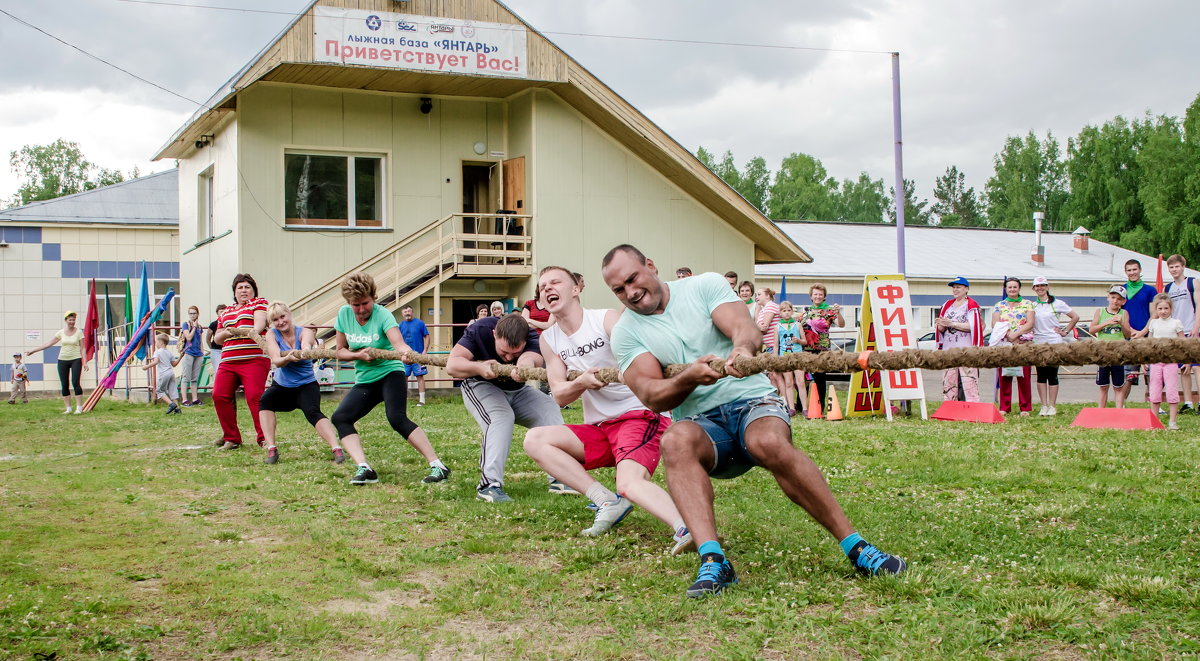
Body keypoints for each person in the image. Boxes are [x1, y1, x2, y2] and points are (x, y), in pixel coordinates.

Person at [602, 245, 906, 599]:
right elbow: (651, 394)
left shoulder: (703, 286)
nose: (630, 293)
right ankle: (714, 561)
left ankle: (857, 548)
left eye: (632, 279)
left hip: (752, 401)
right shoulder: (626, 331)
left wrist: (743, 350)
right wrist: (688, 378)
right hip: (701, 423)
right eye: (619, 290)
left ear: (650, 265)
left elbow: (744, 327)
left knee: (769, 443)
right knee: (674, 441)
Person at [524, 266, 693, 552]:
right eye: (542, 287)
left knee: (628, 482)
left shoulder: (605, 319)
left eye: (555, 282)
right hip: (601, 428)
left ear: (577, 288)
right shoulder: (549, 339)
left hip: (638, 416)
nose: (548, 289)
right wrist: (584, 383)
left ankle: (687, 527)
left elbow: (643, 357)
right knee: (535, 439)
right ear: (540, 301)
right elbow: (560, 395)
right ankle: (606, 501)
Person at [330, 272, 449, 485]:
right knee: (340, 418)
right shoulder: (344, 315)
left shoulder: (383, 315)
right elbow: (340, 351)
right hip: (365, 379)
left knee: (396, 418)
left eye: (365, 303)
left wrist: (406, 353)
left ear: (373, 297)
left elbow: (399, 343)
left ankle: (438, 466)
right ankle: (364, 468)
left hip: (390, 373)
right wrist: (358, 355)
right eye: (355, 305)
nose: (361, 309)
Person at [445, 312, 562, 503]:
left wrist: (523, 366)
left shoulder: (532, 336)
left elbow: (531, 358)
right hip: (480, 385)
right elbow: (452, 365)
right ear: (494, 334)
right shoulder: (480, 329)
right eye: (504, 352)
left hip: (517, 390)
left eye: (514, 353)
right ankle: (489, 485)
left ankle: (560, 477)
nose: (508, 358)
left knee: (549, 409)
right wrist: (479, 367)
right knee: (501, 417)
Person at [259, 301, 345, 465]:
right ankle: (271, 448)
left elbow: (306, 344)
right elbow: (277, 360)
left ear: (289, 315)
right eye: (276, 319)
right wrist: (287, 358)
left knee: (313, 413)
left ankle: (336, 448)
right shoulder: (271, 334)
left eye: (283, 316)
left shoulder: (304, 331)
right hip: (282, 386)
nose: (281, 322)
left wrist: (304, 351)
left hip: (306, 385)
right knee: (265, 401)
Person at [211, 275, 270, 450]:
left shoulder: (259, 304)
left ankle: (264, 438)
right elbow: (218, 338)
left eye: (247, 287)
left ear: (253, 290)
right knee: (219, 395)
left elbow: (258, 326)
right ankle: (231, 438)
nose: (243, 290)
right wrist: (231, 333)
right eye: (240, 288)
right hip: (228, 361)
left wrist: (236, 331)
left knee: (254, 397)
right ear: (234, 292)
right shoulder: (227, 311)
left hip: (254, 359)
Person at [1133, 293, 1185, 430]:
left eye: (1166, 308)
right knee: (1154, 390)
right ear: (1156, 310)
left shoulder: (1176, 323)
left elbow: (1183, 344)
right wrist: (1145, 361)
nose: (1163, 311)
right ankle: (1154, 421)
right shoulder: (1154, 323)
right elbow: (1149, 344)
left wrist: (1186, 360)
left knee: (1172, 390)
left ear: (1171, 309)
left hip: (1171, 362)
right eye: (1160, 309)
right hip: (1155, 362)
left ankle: (1172, 422)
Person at [1030, 276, 1078, 416]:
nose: (1040, 288)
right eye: (1037, 286)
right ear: (1034, 289)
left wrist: (1065, 331)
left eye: (1043, 285)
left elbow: (1075, 317)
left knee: (1052, 375)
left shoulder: (1058, 303)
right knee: (1040, 375)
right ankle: (1043, 405)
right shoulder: (1032, 305)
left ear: (1047, 287)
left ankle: (1052, 406)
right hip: (1038, 342)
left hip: (1054, 342)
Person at [26, 311, 88, 414]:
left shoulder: (79, 332)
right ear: (66, 320)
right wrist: (33, 351)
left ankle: (79, 408)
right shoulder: (61, 332)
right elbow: (49, 343)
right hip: (62, 360)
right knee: (64, 384)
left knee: (75, 382)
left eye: (73, 320)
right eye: (70, 320)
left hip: (76, 359)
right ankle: (68, 408)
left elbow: (83, 348)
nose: (72, 322)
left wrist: (85, 362)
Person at [990, 278, 1036, 416]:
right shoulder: (999, 305)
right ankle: (1004, 407)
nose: (1012, 290)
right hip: (1005, 344)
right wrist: (1008, 334)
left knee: (1024, 376)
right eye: (1009, 287)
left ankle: (1025, 408)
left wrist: (1016, 334)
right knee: (1005, 376)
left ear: (1019, 288)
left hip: (1023, 344)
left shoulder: (1027, 304)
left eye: (1014, 287)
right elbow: (995, 323)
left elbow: (1030, 323)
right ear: (1005, 289)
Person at [935, 277, 984, 402]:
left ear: (966, 289)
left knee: (969, 381)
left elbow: (975, 327)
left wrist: (952, 324)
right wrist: (940, 324)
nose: (955, 290)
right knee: (949, 380)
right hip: (949, 348)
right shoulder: (947, 305)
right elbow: (942, 329)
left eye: (958, 287)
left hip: (966, 349)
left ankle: (972, 406)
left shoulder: (971, 305)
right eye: (954, 287)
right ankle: (949, 405)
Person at [1118, 259, 1159, 403]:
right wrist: (1131, 331)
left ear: (1140, 270)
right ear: (1125, 272)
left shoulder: (1150, 290)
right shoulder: (1121, 290)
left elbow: (1154, 313)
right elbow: (1119, 313)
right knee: (1128, 373)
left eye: (1134, 269)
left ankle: (1153, 403)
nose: (1132, 273)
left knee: (1151, 373)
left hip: (1147, 335)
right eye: (1129, 270)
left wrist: (1143, 331)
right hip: (1128, 336)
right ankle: (1120, 405)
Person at [800, 284, 845, 410]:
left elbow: (841, 324)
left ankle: (820, 406)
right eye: (815, 294)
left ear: (824, 297)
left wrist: (838, 313)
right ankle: (801, 406)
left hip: (822, 349)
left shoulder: (829, 311)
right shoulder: (806, 311)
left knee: (820, 378)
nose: (817, 296)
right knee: (804, 378)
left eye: (820, 294)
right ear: (811, 296)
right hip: (806, 349)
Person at [1165, 254, 1200, 413]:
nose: (1174, 270)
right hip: (1178, 332)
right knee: (1183, 369)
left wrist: (1196, 326)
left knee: (1197, 367)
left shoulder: (1192, 283)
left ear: (1183, 267)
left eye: (1177, 266)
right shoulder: (1168, 288)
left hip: (1193, 330)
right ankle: (1188, 402)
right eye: (1171, 267)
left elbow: (1199, 305)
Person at [1092, 285, 1133, 409]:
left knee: (1118, 386)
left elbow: (1128, 334)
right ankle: (1101, 411)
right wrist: (1106, 323)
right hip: (1103, 352)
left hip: (1118, 353)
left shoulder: (1124, 313)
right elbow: (1092, 329)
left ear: (1123, 301)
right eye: (1113, 297)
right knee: (1103, 385)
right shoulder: (1100, 311)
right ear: (1108, 297)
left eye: (1119, 299)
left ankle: (1119, 411)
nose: (1115, 301)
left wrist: (1121, 323)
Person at [775, 301, 807, 416]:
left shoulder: (797, 325)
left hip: (798, 357)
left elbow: (805, 341)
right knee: (788, 383)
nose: (787, 313)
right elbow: (776, 345)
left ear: (792, 312)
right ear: (780, 313)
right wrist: (775, 359)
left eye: (789, 310)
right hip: (784, 357)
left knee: (800, 382)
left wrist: (798, 341)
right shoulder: (777, 327)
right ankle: (791, 408)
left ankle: (805, 408)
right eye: (784, 311)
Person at [143, 332, 182, 414]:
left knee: (159, 391)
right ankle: (177, 409)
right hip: (171, 373)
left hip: (163, 374)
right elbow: (174, 364)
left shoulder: (157, 352)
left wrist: (146, 366)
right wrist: (180, 357)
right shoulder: (169, 352)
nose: (156, 344)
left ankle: (171, 404)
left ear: (161, 343)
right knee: (173, 391)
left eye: (156, 342)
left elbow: (156, 361)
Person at [398, 305, 430, 407]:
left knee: (419, 376)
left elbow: (427, 336)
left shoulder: (419, 323)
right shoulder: (400, 325)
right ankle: (403, 399)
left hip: (418, 355)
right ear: (402, 314)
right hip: (405, 356)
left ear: (412, 312)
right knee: (404, 377)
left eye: (409, 311)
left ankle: (422, 400)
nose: (407, 313)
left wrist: (425, 350)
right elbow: (398, 341)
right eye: (405, 312)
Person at [754, 287, 782, 396]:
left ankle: (779, 399)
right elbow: (758, 325)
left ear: (767, 296)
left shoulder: (771, 307)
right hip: (769, 346)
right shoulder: (764, 309)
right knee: (772, 375)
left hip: (775, 346)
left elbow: (763, 327)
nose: (757, 297)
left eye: (759, 294)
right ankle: (775, 398)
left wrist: (752, 328)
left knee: (775, 375)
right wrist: (757, 309)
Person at [178, 305, 205, 406]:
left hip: (198, 353)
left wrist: (202, 352)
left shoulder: (200, 327)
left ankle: (195, 399)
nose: (192, 315)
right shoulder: (186, 324)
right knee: (186, 377)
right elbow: (188, 337)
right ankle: (184, 399)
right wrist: (193, 327)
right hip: (188, 352)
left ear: (198, 314)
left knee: (194, 378)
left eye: (194, 313)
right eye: (190, 313)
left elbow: (200, 341)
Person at [205, 303, 228, 372]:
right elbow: (208, 338)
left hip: (226, 350)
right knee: (218, 370)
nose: (223, 313)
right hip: (216, 350)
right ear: (217, 313)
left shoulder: (229, 324)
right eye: (221, 312)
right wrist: (212, 348)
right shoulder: (213, 324)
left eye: (225, 312)